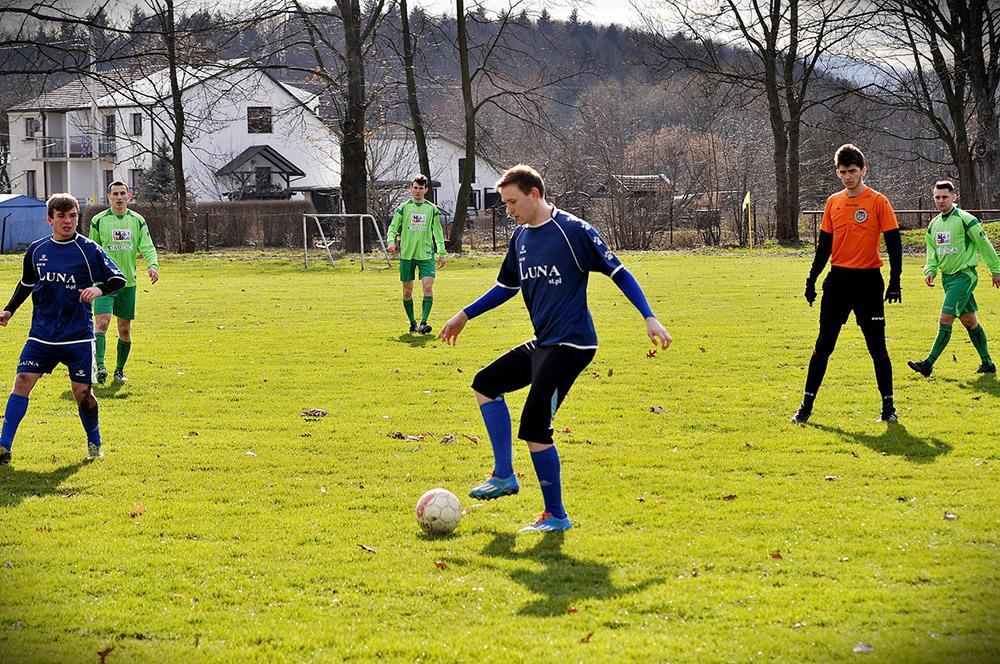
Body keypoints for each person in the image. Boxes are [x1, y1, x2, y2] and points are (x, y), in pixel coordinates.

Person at [439, 164, 671, 532]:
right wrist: (464, 315)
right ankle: (504, 475)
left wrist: (649, 316)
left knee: (535, 426)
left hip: (573, 344)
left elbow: (619, 272)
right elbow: (506, 287)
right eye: (504, 204)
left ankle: (556, 515)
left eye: (512, 202)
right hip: (545, 342)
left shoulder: (574, 231)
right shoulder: (520, 238)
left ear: (534, 194)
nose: (508, 210)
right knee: (486, 383)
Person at [0, 193, 126, 465]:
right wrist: (9, 309)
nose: (68, 221)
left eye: (72, 216)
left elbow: (118, 278)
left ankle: (94, 442)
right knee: (22, 380)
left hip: (77, 336)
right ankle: (3, 446)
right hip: (42, 334)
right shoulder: (36, 250)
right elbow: (27, 283)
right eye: (61, 216)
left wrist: (99, 289)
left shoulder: (89, 249)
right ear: (50, 219)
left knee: (82, 394)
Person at [793, 144, 903, 424]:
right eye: (843, 172)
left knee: (877, 348)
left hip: (868, 282)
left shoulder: (879, 201)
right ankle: (805, 408)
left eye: (852, 171)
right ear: (837, 172)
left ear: (864, 170)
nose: (848, 176)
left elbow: (894, 243)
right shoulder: (833, 202)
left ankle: (888, 408)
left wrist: (895, 281)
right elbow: (824, 247)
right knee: (823, 346)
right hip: (838, 282)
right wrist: (811, 279)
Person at [907, 180, 1000, 376]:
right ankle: (988, 364)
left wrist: (996, 269)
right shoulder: (934, 224)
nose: (940, 200)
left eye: (944, 197)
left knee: (945, 318)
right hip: (947, 279)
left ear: (954, 197)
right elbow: (932, 251)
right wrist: (930, 270)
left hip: (964, 276)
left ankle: (928, 364)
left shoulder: (966, 220)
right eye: (937, 197)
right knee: (969, 321)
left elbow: (984, 245)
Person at [89, 180, 159, 384]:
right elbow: (92, 251)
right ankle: (100, 367)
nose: (119, 197)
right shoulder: (98, 221)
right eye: (115, 194)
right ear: (109, 197)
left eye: (122, 193)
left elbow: (147, 246)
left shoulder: (137, 220)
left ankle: (119, 371)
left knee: (124, 329)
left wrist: (153, 265)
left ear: (129, 197)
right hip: (104, 284)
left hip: (127, 284)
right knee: (102, 323)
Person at [386, 175, 446, 334]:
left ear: (426, 190)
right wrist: (391, 241)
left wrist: (441, 252)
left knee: (428, 287)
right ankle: (413, 323)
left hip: (426, 255)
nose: (418, 191)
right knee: (407, 291)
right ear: (410, 189)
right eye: (415, 188)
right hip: (407, 255)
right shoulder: (404, 208)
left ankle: (423, 323)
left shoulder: (432, 209)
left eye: (421, 188)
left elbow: (438, 232)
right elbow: (393, 227)